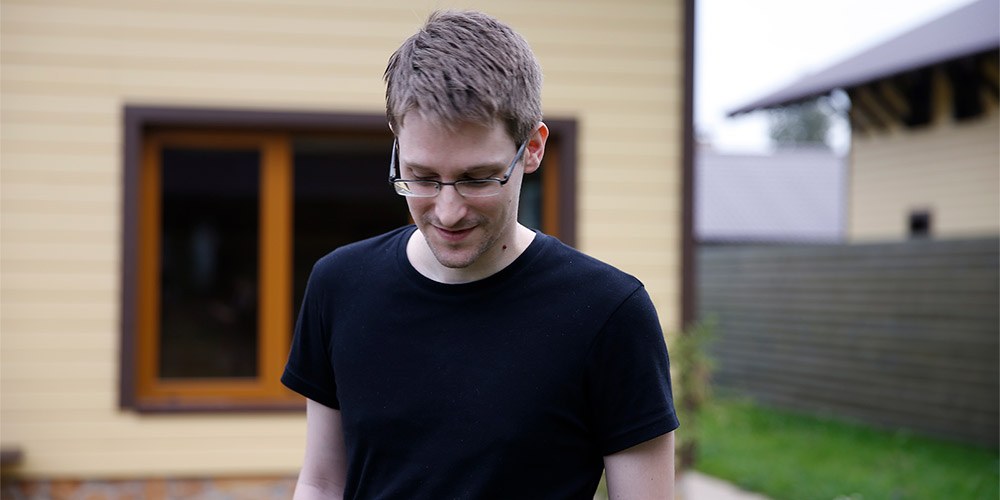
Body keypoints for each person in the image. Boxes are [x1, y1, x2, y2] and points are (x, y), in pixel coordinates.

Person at [282, 10, 679, 499]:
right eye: (422, 177)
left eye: (477, 178)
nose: (447, 212)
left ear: (531, 148)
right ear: (396, 142)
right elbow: (322, 482)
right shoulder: (339, 285)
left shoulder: (609, 313)